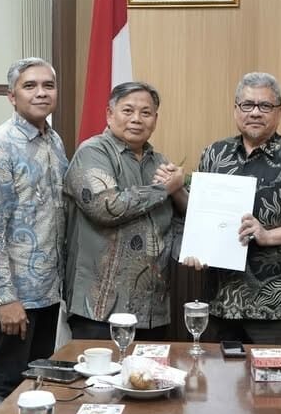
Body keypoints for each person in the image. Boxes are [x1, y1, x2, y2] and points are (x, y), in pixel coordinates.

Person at [186, 72, 281, 345]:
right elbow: (199, 213)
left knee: (276, 374)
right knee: (219, 373)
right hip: (221, 301)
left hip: (279, 307)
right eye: (247, 105)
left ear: (279, 112)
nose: (255, 112)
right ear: (235, 109)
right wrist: (198, 248)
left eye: (265, 106)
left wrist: (268, 236)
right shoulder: (214, 154)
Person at [62, 82, 188, 340]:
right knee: (99, 369)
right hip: (100, 310)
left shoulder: (160, 162)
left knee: (150, 369)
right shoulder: (92, 152)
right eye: (128, 110)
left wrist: (177, 191)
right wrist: (165, 189)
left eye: (146, 112)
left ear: (155, 119)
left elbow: (179, 220)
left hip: (153, 310)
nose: (136, 119)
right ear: (110, 114)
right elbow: (107, 207)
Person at [0, 57, 67, 398]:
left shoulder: (54, 141)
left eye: (48, 85)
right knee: (6, 381)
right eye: (30, 86)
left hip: (51, 290)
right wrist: (7, 298)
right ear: (12, 97)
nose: (41, 93)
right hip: (18, 295)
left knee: (39, 380)